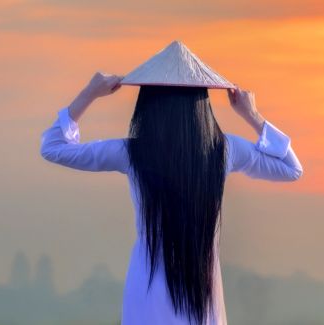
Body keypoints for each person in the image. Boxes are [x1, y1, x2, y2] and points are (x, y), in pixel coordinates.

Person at [40, 71, 303, 324]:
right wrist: (252, 115)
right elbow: (292, 169)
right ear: (201, 105)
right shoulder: (223, 150)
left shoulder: (133, 152)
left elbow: (53, 147)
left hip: (147, 286)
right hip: (203, 290)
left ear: (148, 105)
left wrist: (89, 93)